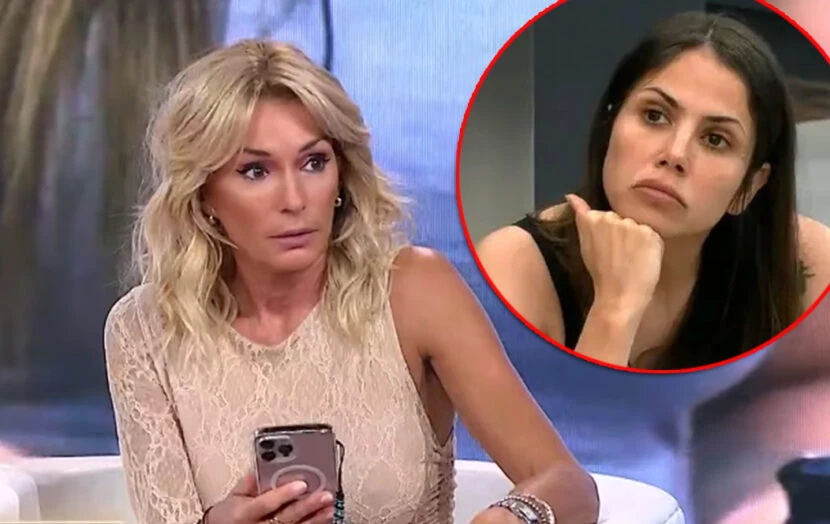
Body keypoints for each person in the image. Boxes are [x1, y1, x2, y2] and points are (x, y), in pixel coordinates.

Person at [103, 39, 599, 524]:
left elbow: (568, 484)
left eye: (314, 163)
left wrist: (513, 516)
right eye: (255, 171)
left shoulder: (415, 292)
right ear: (204, 194)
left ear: (341, 175)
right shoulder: (144, 330)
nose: (295, 199)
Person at [474, 11, 830, 370]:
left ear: (749, 186)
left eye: (715, 139)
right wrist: (615, 307)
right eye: (654, 115)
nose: (675, 154)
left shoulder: (806, 261)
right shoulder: (514, 267)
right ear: (610, 125)